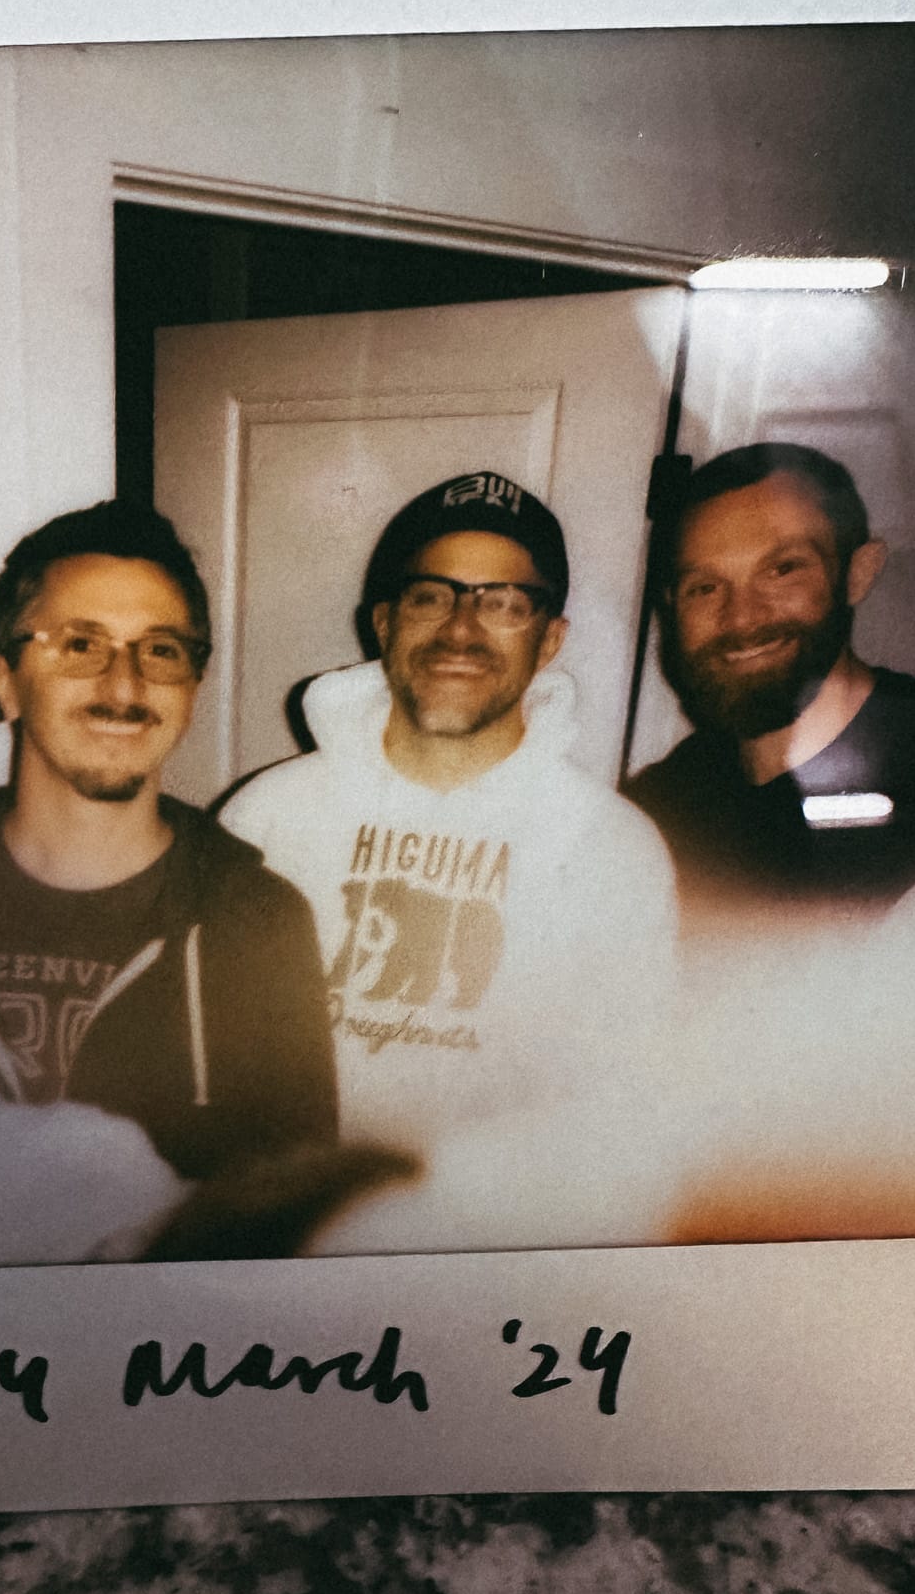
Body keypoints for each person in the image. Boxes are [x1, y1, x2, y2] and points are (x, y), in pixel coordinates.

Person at [0, 500, 346, 1265]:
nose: (124, 683)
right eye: (81, 644)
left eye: (161, 650)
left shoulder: (257, 922)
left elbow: (285, 1233)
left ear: (191, 689)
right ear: (5, 683)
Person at [220, 471, 683, 1249]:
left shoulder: (614, 849)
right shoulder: (263, 817)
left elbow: (624, 1115)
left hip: (494, 1264)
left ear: (550, 639)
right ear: (384, 623)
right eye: (431, 596)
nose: (461, 628)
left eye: (504, 602)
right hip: (288, 1245)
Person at [628, 443, 915, 914]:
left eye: (782, 570)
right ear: (672, 607)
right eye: (705, 588)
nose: (741, 618)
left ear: (857, 574)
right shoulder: (656, 811)